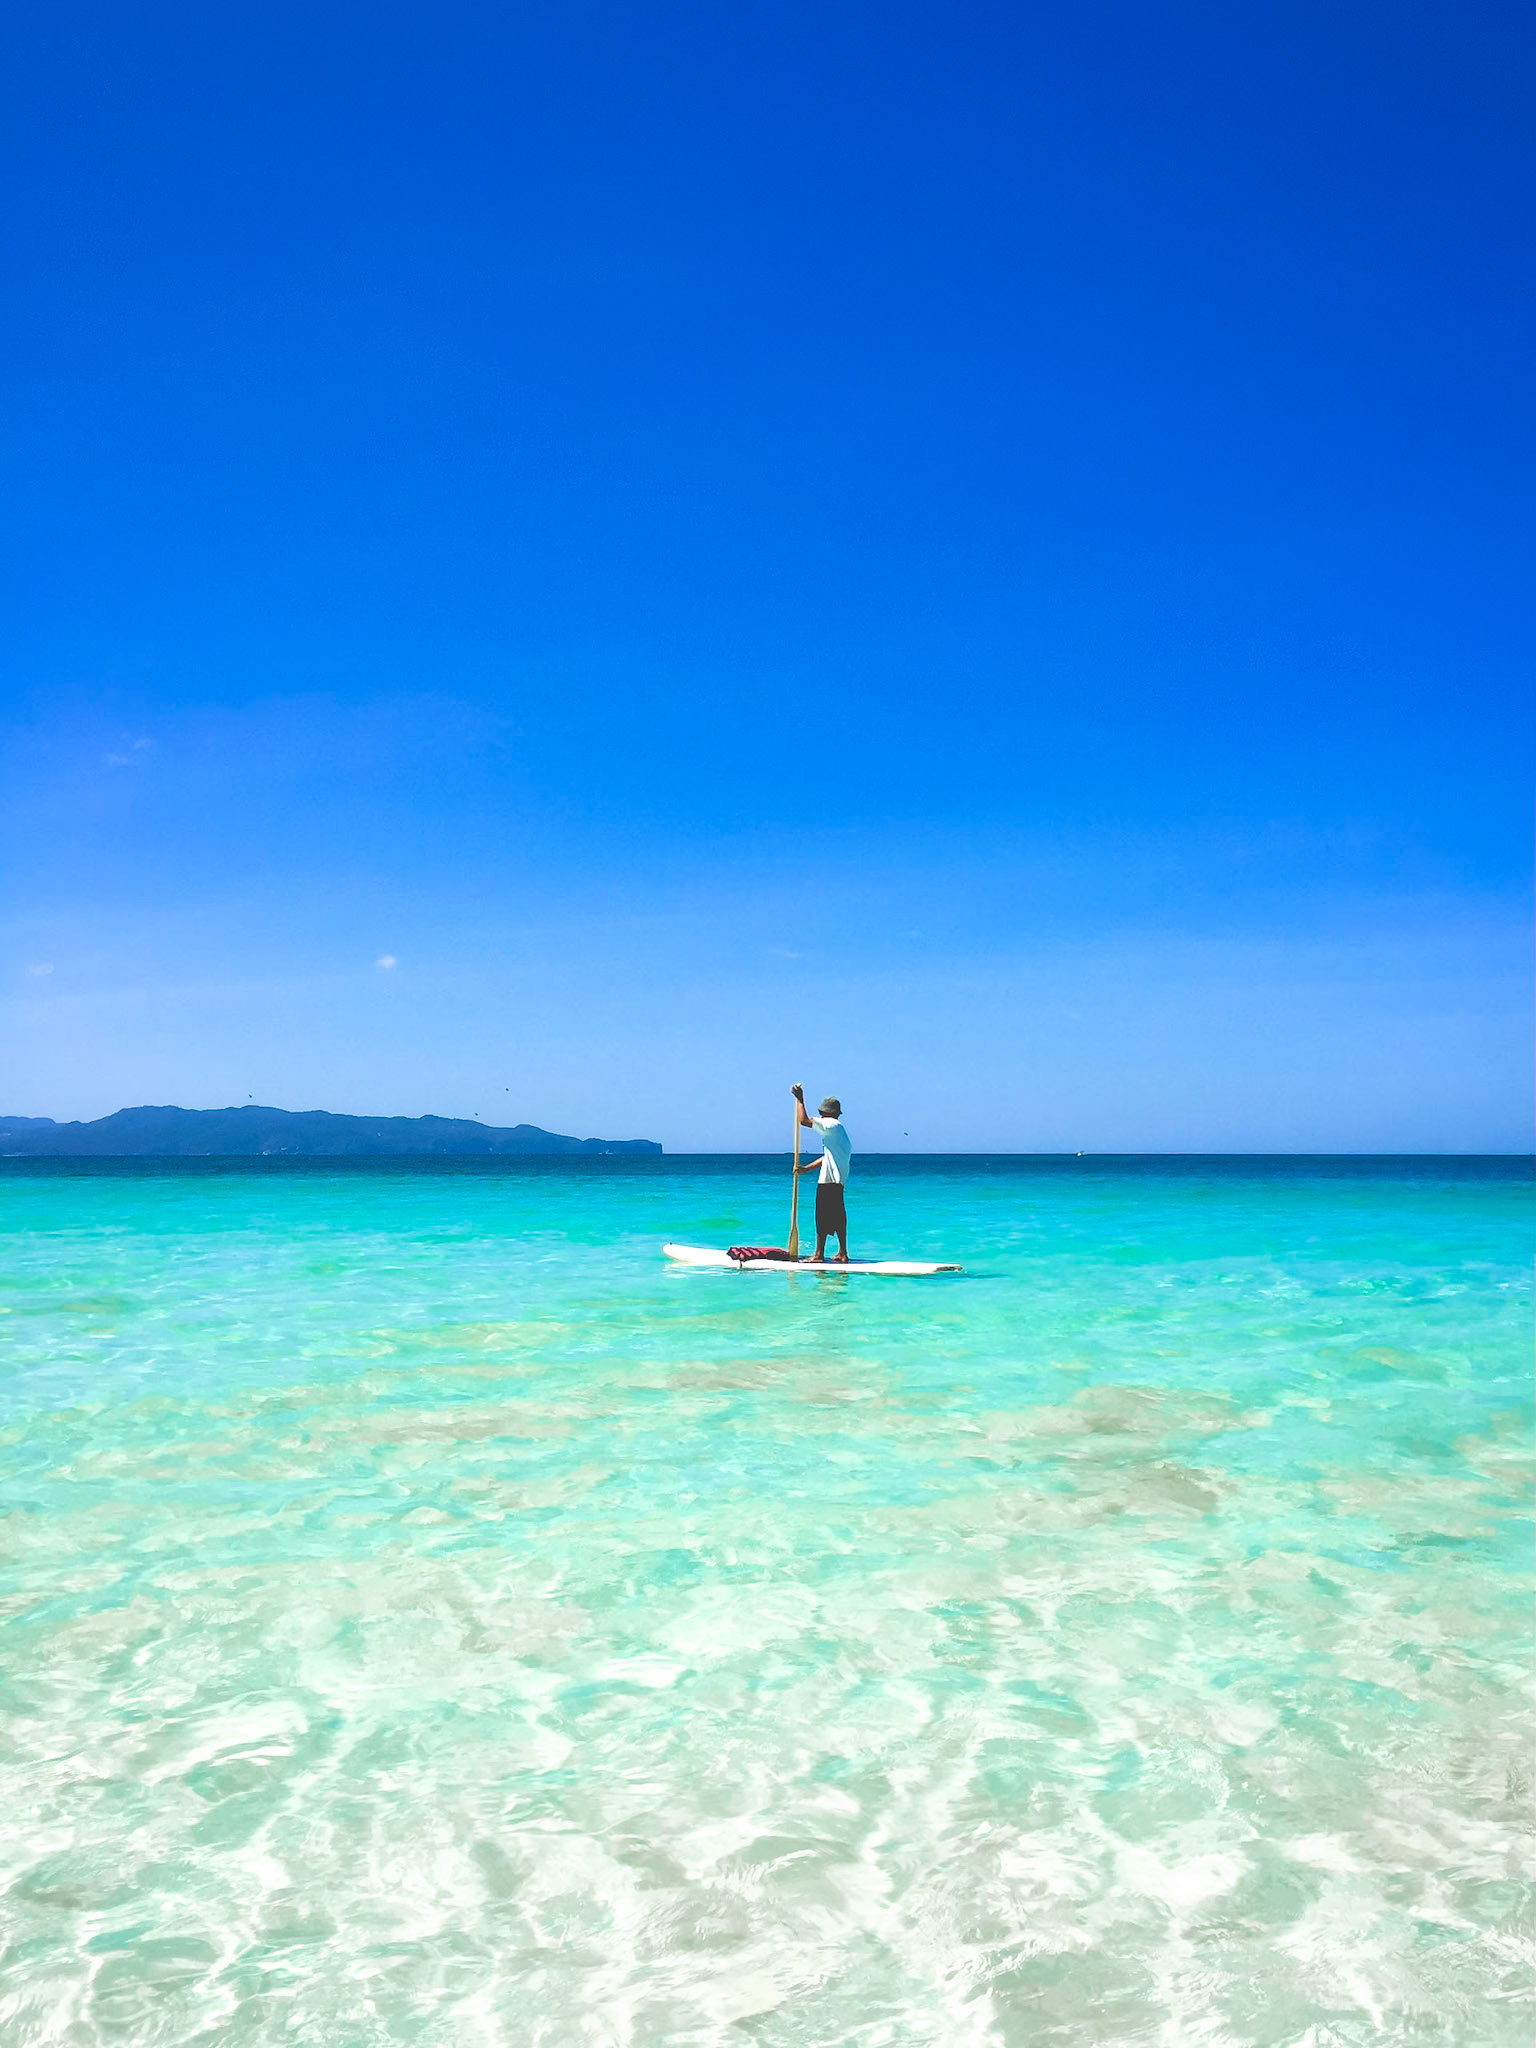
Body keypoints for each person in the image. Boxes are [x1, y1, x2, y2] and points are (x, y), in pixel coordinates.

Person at [791, 1083, 851, 1262]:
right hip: (838, 1180)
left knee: (822, 1216)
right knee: (838, 1216)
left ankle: (818, 1255)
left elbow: (803, 1121)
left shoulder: (830, 1124)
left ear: (825, 1113)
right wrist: (806, 1169)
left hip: (829, 1180)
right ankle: (842, 1253)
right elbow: (827, 1158)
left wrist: (800, 1100)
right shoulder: (838, 1131)